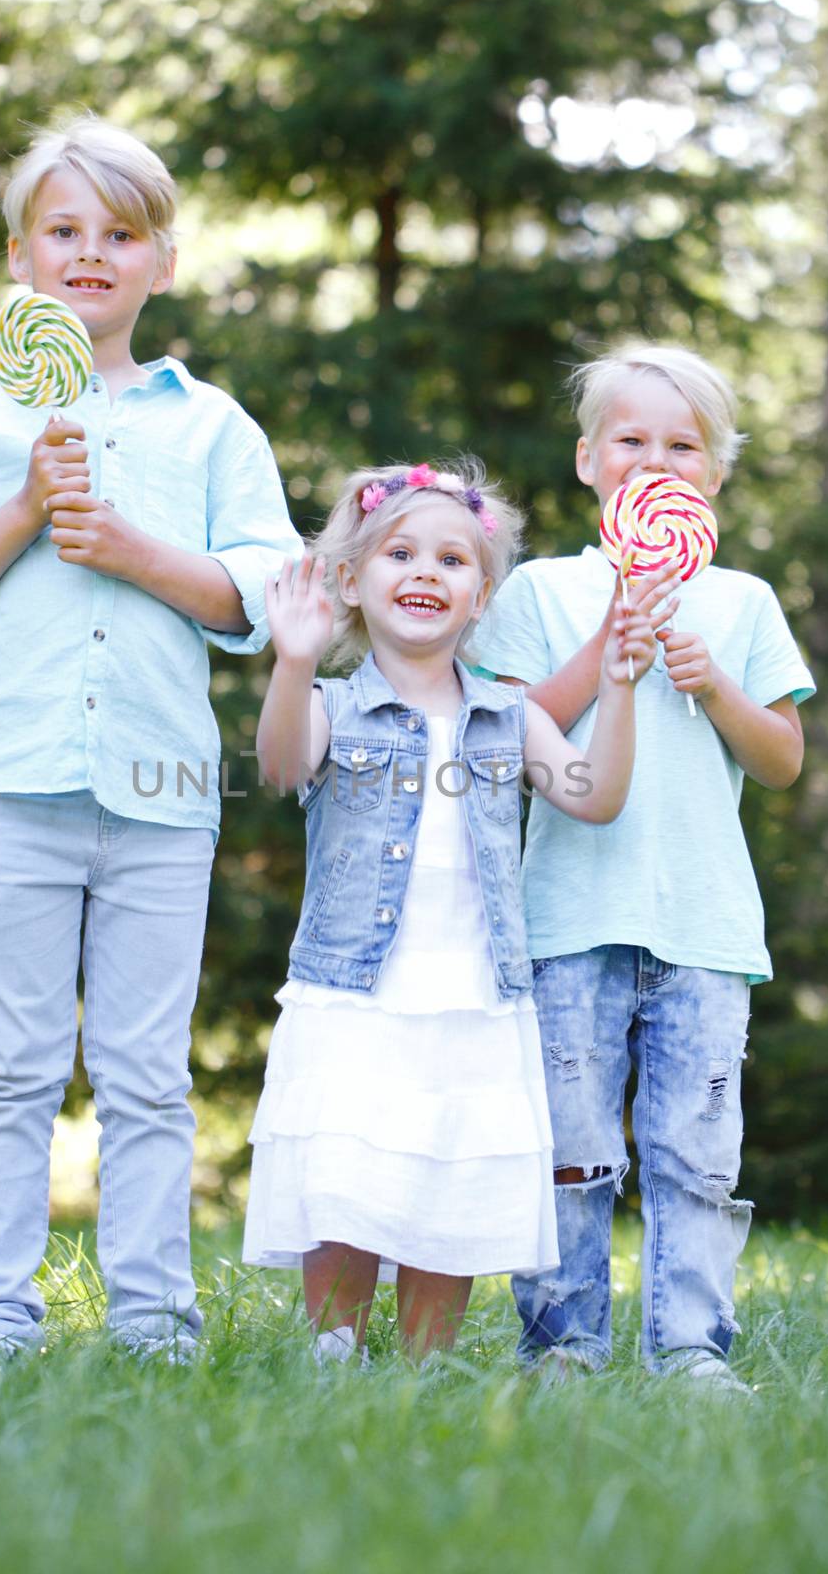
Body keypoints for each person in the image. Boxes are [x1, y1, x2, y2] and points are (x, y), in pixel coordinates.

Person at [0, 114, 302, 1365]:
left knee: (144, 1074)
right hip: (12, 780)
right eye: (62, 231)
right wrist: (24, 505)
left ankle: (154, 1318)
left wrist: (133, 551)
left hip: (163, 787)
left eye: (119, 235)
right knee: (11, 1060)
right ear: (19, 258)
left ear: (160, 264)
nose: (89, 253)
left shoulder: (211, 426)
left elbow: (262, 597)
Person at [242, 459, 660, 1365]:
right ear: (350, 581)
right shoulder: (331, 706)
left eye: (452, 560)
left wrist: (618, 685)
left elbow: (594, 797)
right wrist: (294, 656)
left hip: (472, 991)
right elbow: (279, 764)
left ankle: (425, 1363)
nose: (426, 572)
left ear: (481, 598)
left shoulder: (509, 717)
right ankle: (335, 1348)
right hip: (357, 990)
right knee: (346, 1168)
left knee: (452, 1175)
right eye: (400, 553)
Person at [476, 342, 816, 1392]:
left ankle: (688, 1347)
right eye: (632, 441)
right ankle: (563, 1343)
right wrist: (609, 643)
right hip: (570, 916)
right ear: (587, 461)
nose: (655, 462)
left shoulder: (742, 602)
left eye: (684, 446)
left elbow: (781, 758)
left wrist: (709, 681)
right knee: (570, 1148)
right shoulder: (539, 589)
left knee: (694, 1155)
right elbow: (507, 729)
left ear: (712, 477)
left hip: (704, 924)